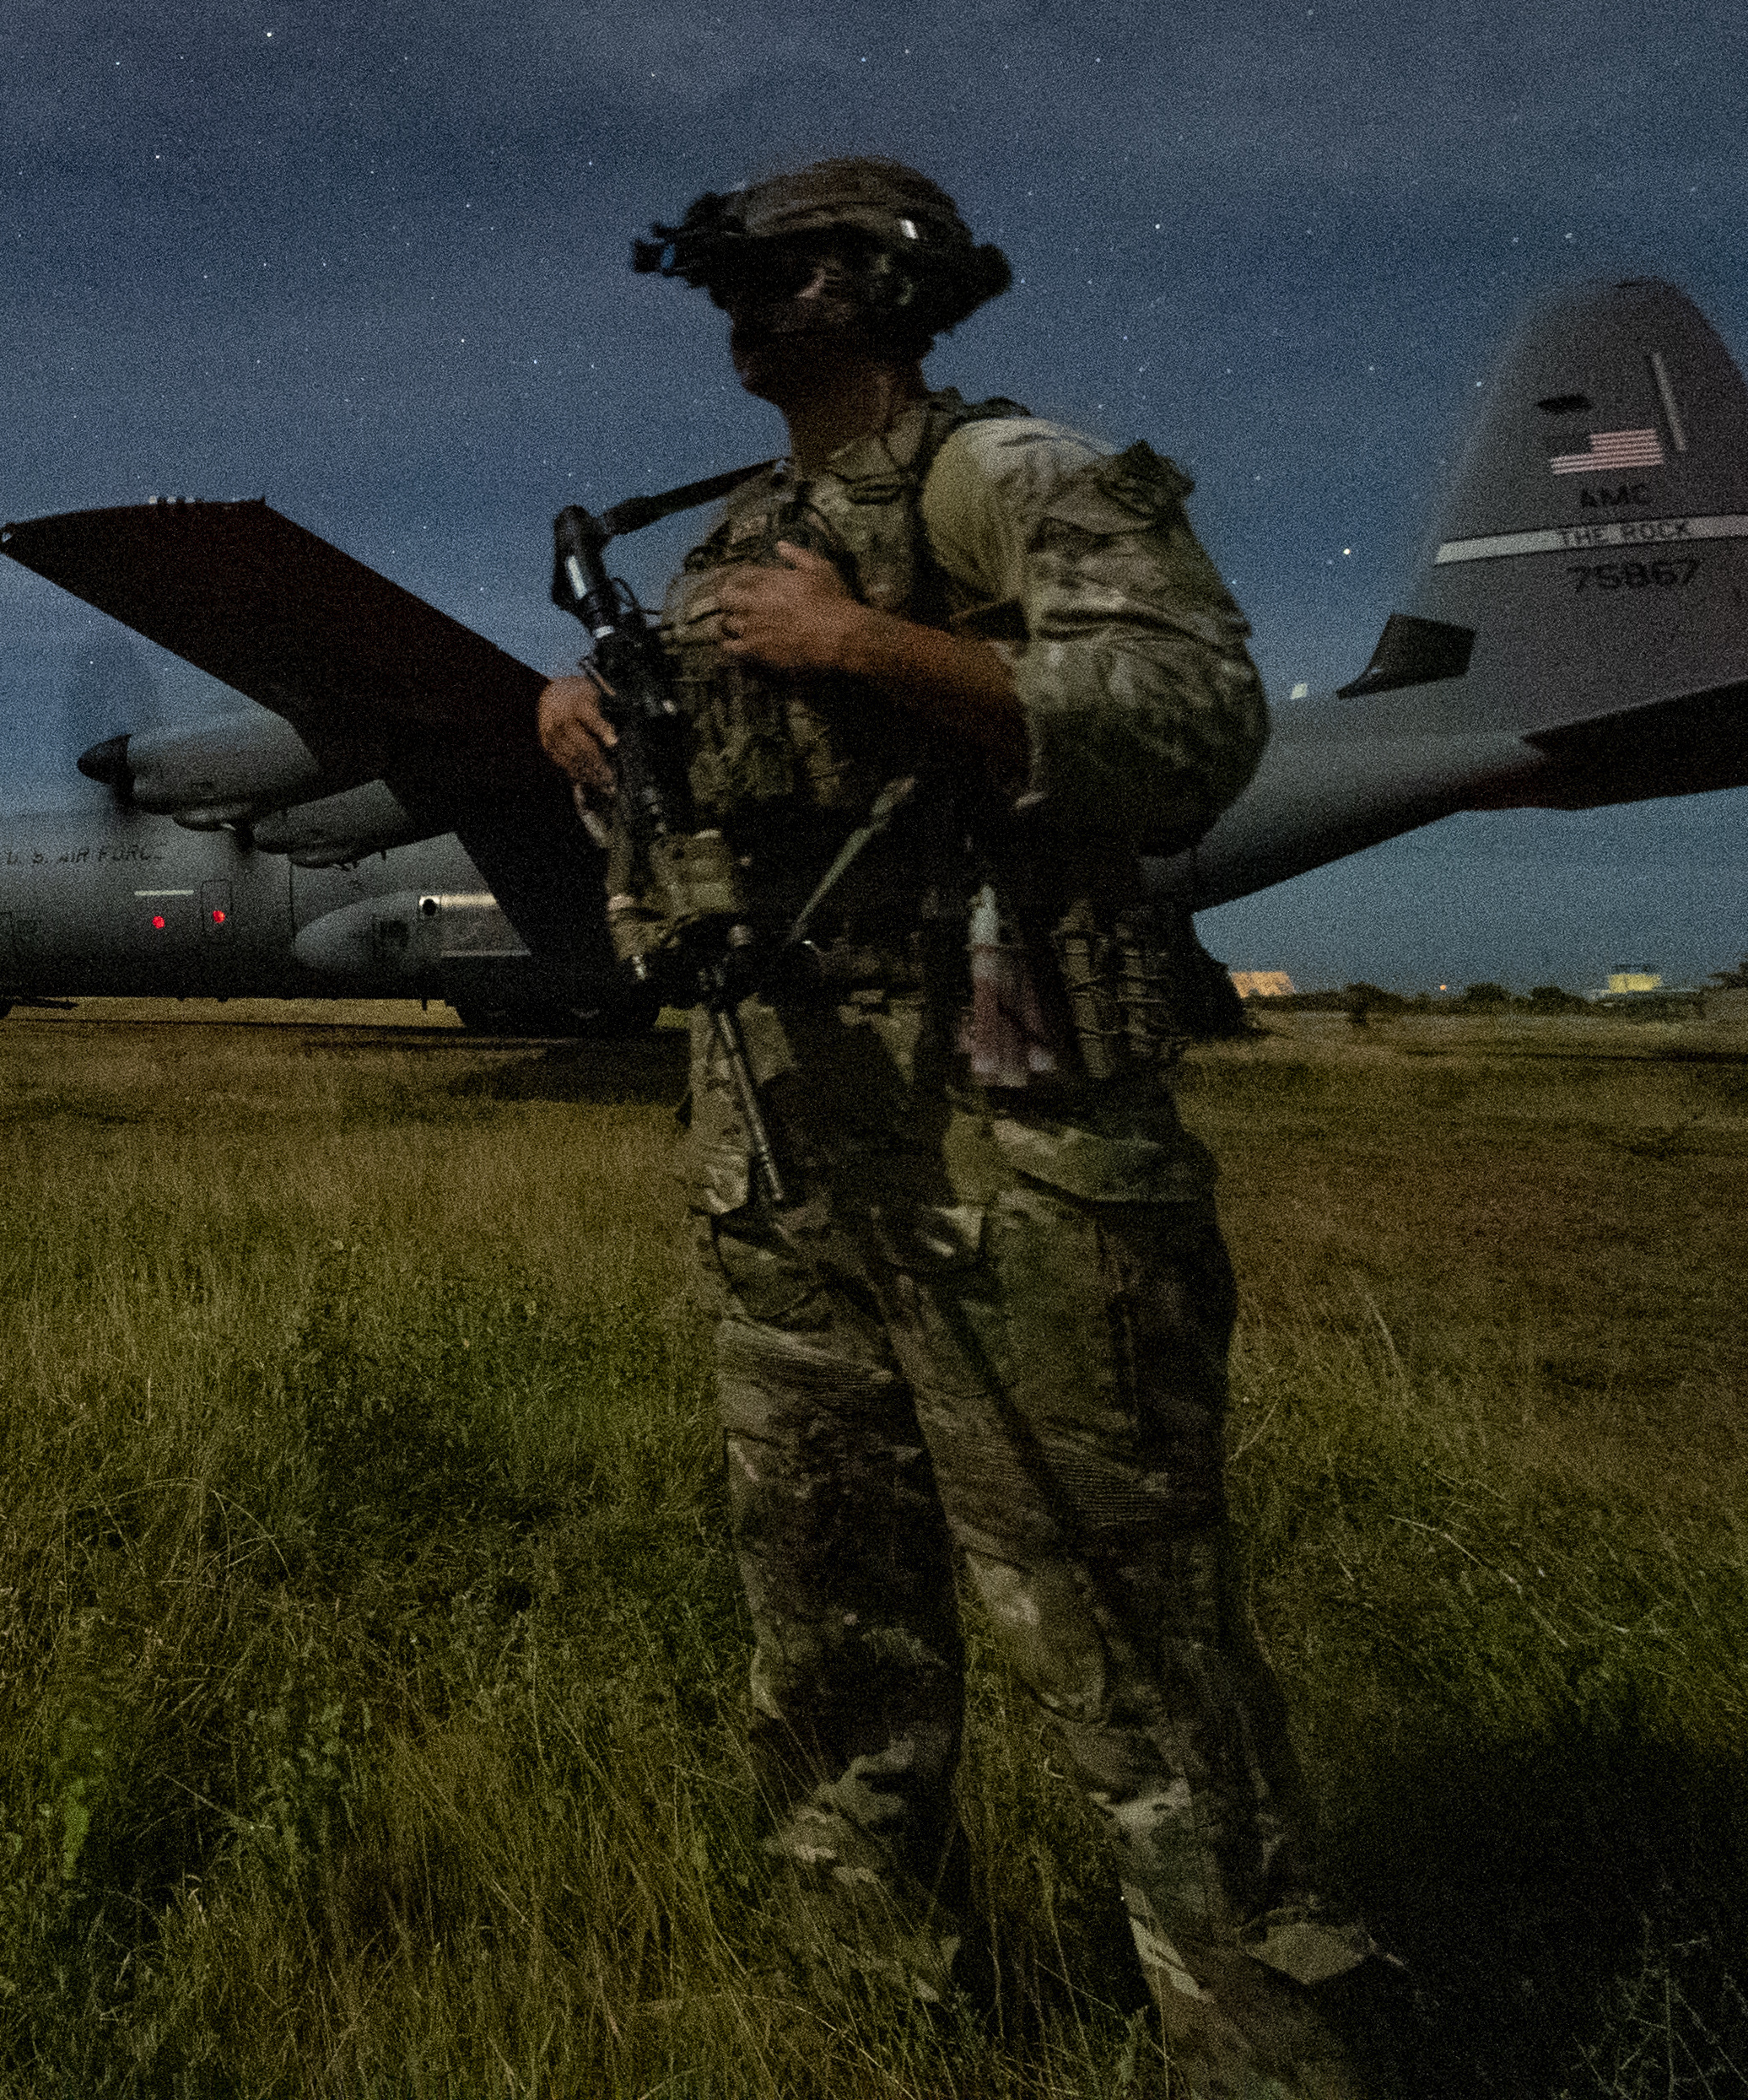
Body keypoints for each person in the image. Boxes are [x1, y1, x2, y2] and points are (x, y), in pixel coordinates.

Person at [535, 157, 1381, 2098]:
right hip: (785, 1159)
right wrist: (585, 744)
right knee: (825, 1628)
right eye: (731, 278)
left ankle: (1259, 2047)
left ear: (883, 284)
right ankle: (861, 2011)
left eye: (785, 270)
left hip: (1019, 1170)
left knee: (1127, 1640)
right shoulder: (720, 550)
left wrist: (877, 650)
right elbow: (695, 870)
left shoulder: (1009, 476)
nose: (743, 307)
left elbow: (1192, 724)